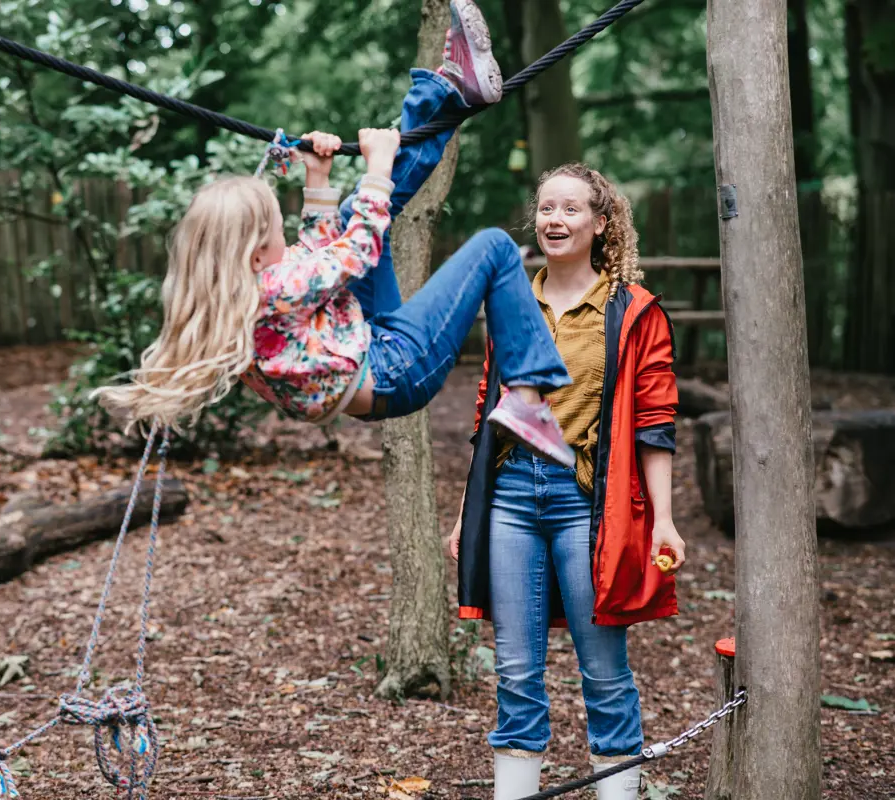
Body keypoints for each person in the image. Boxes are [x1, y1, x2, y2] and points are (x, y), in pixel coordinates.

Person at [94, 0, 575, 468]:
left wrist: (317, 177)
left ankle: (449, 92)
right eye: (277, 228)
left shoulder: (250, 291)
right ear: (256, 252)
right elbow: (358, 250)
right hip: (394, 371)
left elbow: (321, 252)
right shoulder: (274, 289)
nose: (286, 236)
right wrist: (378, 167)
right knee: (492, 247)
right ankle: (528, 398)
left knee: (350, 213)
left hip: (370, 348)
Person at [449, 163, 687, 800]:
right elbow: (489, 407)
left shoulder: (633, 311)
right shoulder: (511, 298)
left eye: (570, 209)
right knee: (516, 669)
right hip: (508, 498)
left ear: (600, 223)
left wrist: (662, 518)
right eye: (546, 208)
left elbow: (656, 424)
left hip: (587, 501)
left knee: (604, 670)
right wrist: (465, 510)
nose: (554, 220)